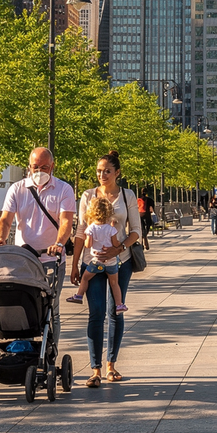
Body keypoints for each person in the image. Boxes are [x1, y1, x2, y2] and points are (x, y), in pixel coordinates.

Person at [70, 150, 143, 387]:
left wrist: (118, 247)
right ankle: (96, 369)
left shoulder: (127, 195)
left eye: (107, 171)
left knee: (115, 312)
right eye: (99, 171)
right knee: (96, 312)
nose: (102, 174)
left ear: (117, 173)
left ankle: (111, 365)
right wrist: (74, 264)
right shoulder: (88, 196)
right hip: (92, 262)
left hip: (120, 261)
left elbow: (136, 232)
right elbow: (81, 231)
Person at [0, 147, 76, 258]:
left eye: (44, 167)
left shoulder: (64, 189)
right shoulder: (17, 189)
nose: (39, 171)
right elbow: (5, 220)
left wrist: (58, 244)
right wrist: (1, 238)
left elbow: (66, 221)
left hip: (51, 256)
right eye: (35, 167)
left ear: (52, 166)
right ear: (29, 167)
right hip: (24, 257)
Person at [66, 195, 126, 312]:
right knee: (114, 283)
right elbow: (115, 243)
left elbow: (88, 245)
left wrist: (88, 236)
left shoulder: (91, 229)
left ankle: (79, 295)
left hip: (96, 261)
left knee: (85, 279)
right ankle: (119, 305)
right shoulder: (111, 229)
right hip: (111, 262)